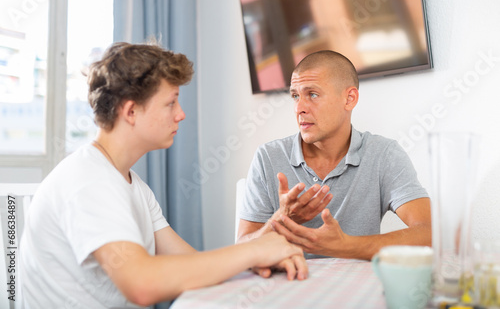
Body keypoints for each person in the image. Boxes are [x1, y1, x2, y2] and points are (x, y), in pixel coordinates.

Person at [19, 41, 307, 309]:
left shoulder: (132, 185)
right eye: (171, 103)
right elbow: (142, 284)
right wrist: (254, 252)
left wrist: (260, 248)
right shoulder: (88, 180)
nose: (180, 114)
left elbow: (191, 263)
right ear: (131, 111)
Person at [237, 50, 431, 261]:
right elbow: (242, 248)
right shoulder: (268, 157)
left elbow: (430, 233)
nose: (299, 108)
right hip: (288, 286)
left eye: (312, 94)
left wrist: (346, 246)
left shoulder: (383, 154)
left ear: (349, 99)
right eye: (295, 96)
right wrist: (283, 219)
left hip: (358, 289)